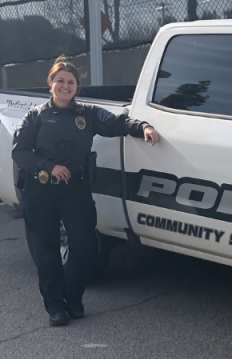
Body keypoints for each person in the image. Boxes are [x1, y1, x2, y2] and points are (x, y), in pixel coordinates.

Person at [12, 56, 160, 326]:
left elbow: (117, 123)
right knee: (47, 252)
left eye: (71, 82)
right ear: (51, 83)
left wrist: (143, 127)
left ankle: (73, 298)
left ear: (77, 87)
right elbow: (19, 152)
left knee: (85, 247)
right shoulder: (35, 116)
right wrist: (48, 166)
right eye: (60, 81)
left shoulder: (87, 114)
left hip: (75, 191)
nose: (65, 86)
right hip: (41, 190)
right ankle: (55, 307)